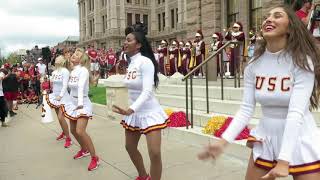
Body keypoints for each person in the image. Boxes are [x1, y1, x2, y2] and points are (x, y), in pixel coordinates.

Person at [198, 5, 320, 180]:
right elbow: (246, 109)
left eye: (277, 16)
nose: (269, 19)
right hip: (266, 137)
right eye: (266, 17)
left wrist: (284, 160)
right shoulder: (254, 65)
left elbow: (296, 113)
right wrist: (223, 142)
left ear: (290, 27)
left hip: (299, 136)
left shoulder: (302, 62)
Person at [112, 24, 168, 180]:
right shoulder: (131, 63)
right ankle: (143, 176)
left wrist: (131, 108)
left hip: (149, 113)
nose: (125, 42)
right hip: (134, 114)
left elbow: (147, 90)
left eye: (128, 40)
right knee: (129, 147)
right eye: (125, 40)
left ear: (138, 45)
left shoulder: (146, 62)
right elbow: (132, 87)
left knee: (155, 153)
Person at [62, 48, 99, 171]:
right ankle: (84, 150)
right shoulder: (73, 71)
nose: (73, 55)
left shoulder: (83, 70)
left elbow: (81, 86)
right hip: (73, 103)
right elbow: (71, 88)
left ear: (82, 59)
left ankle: (95, 158)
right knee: (73, 130)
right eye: (73, 54)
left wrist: (80, 104)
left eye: (77, 54)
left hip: (82, 103)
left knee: (80, 131)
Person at [46, 55, 72, 148]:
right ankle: (64, 133)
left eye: (58, 58)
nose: (56, 59)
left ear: (62, 61)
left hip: (63, 97)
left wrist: (60, 96)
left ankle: (68, 138)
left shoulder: (65, 71)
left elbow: (65, 85)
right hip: (55, 96)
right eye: (56, 58)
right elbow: (52, 84)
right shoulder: (54, 72)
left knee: (61, 117)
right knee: (58, 117)